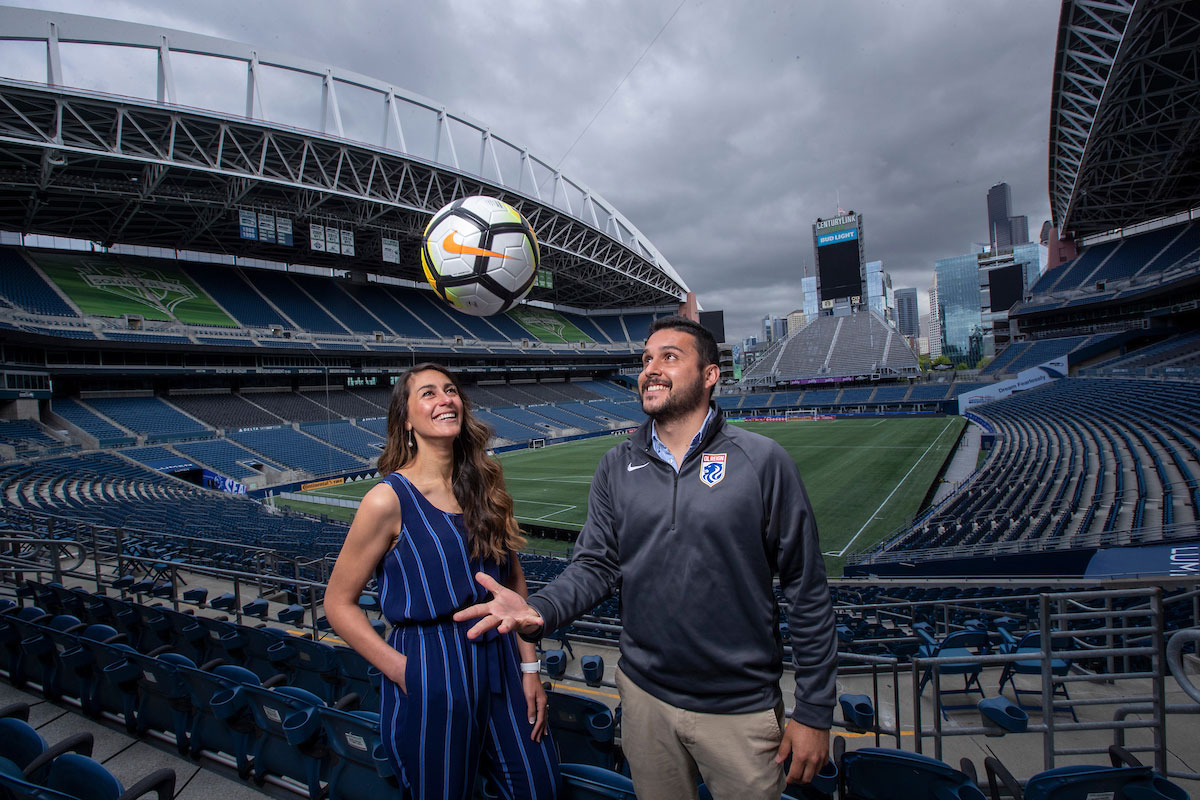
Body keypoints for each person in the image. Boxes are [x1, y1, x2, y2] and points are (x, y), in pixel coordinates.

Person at [456, 316, 838, 800]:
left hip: (738, 710)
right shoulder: (616, 465)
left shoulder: (763, 461)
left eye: (670, 357)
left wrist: (814, 711)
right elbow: (595, 565)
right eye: (646, 359)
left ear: (710, 375)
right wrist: (539, 612)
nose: (651, 369)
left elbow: (807, 590)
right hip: (643, 699)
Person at [324, 363, 559, 800]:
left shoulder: (487, 485)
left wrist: (530, 667)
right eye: (428, 393)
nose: (445, 399)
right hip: (431, 663)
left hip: (503, 656)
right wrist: (404, 671)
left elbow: (514, 584)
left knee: (538, 788)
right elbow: (338, 604)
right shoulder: (386, 499)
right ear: (406, 420)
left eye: (451, 390)